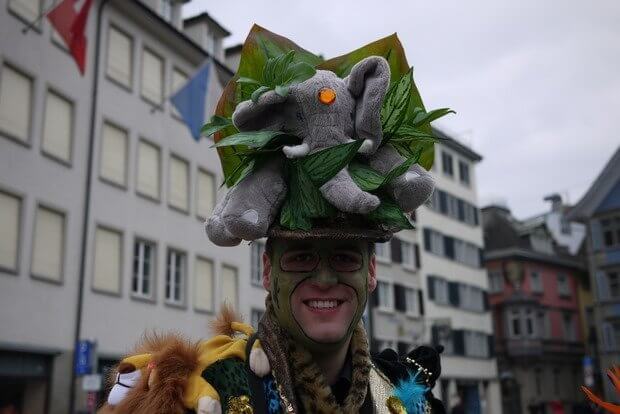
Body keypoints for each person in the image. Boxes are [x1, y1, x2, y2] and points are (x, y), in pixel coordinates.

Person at [99, 24, 449, 413]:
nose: (324, 278)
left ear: (371, 272)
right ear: (267, 271)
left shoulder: (402, 400)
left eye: (346, 257)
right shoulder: (194, 395)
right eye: (300, 257)